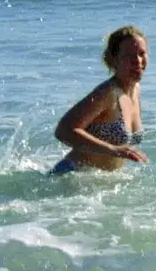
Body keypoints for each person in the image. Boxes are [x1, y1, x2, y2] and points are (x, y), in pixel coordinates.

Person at [51, 25, 150, 174]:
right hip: (72, 175)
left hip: (98, 184)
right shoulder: (108, 93)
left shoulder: (135, 89)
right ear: (113, 60)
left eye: (142, 53)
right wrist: (113, 149)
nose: (138, 60)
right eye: (129, 56)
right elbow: (64, 130)